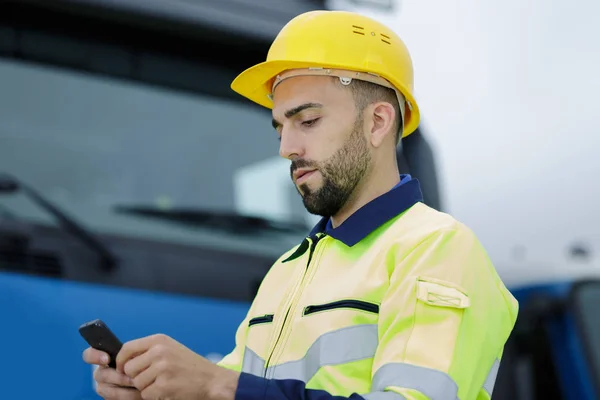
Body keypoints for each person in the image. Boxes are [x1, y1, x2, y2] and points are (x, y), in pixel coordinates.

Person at [83, 9, 519, 400]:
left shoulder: (437, 249)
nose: (286, 148)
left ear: (378, 122)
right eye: (279, 129)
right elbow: (243, 392)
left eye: (307, 121)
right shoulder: (287, 270)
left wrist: (217, 384)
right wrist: (165, 391)